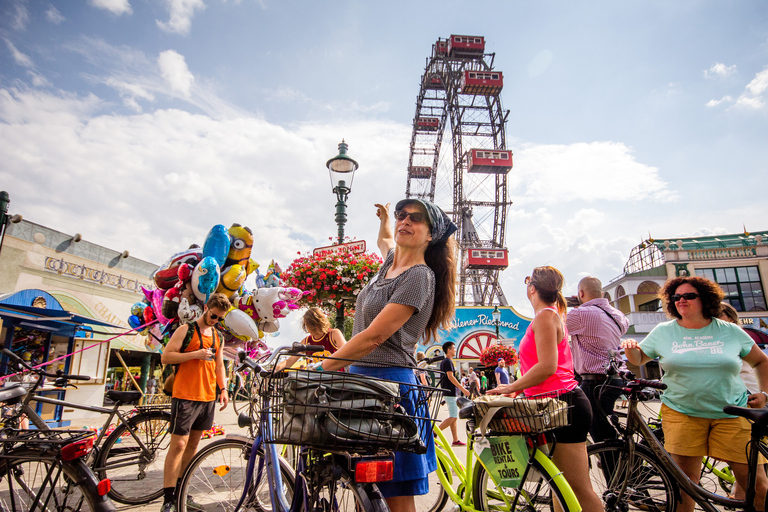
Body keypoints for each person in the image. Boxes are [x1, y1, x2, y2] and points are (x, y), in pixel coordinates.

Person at [318, 198, 457, 512]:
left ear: (431, 234)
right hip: (361, 384)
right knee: (364, 488)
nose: (405, 221)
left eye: (416, 218)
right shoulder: (391, 262)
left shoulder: (419, 276)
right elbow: (384, 240)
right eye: (402, 216)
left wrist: (321, 367)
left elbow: (374, 336)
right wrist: (383, 218)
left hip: (390, 386)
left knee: (395, 493)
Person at [621, 276, 768, 512]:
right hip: (682, 413)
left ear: (706, 299)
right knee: (685, 487)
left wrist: (764, 393)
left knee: (757, 486)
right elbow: (640, 359)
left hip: (731, 413)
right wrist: (630, 349)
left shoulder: (730, 331)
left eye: (689, 296)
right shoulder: (663, 332)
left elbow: (761, 361)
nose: (681, 300)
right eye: (676, 297)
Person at [488, 267, 605, 511]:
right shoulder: (552, 315)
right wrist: (517, 390)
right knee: (559, 486)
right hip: (555, 403)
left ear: (532, 289)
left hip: (563, 404)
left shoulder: (545, 317)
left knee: (577, 488)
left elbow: (547, 366)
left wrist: (512, 386)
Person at [159, 293, 230, 512]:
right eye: (213, 314)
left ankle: (183, 492)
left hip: (207, 396)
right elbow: (166, 357)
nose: (214, 319)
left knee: (192, 446)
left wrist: (224, 389)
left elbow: (220, 365)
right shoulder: (186, 330)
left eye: (219, 318)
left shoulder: (218, 337)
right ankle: (168, 499)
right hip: (185, 394)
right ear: (206, 307)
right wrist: (195, 354)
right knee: (178, 445)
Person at [565, 276, 629, 444]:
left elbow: (556, 327)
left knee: (601, 435)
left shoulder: (580, 314)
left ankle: (614, 466)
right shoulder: (618, 315)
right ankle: (622, 459)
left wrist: (566, 306)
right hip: (616, 378)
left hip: (595, 382)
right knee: (608, 425)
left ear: (580, 293)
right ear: (602, 293)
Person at [718, 302, 764, 501]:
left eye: (719, 315)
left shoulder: (735, 337)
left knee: (748, 458)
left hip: (747, 397)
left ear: (731, 318)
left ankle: (742, 496)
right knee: (746, 459)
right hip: (742, 396)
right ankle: (739, 494)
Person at [275, 307, 346, 371]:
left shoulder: (333, 334)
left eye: (312, 326)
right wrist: (275, 369)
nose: (309, 329)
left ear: (320, 323)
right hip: (315, 380)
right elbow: (290, 361)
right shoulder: (306, 341)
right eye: (307, 326)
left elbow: (346, 352)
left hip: (335, 379)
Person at [438, 341, 470, 446]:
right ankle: (434, 433)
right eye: (454, 348)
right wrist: (463, 389)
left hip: (448, 392)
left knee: (453, 417)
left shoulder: (445, 362)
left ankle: (455, 440)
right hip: (449, 392)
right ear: (449, 350)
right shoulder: (447, 362)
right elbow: (450, 377)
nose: (455, 350)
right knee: (454, 416)